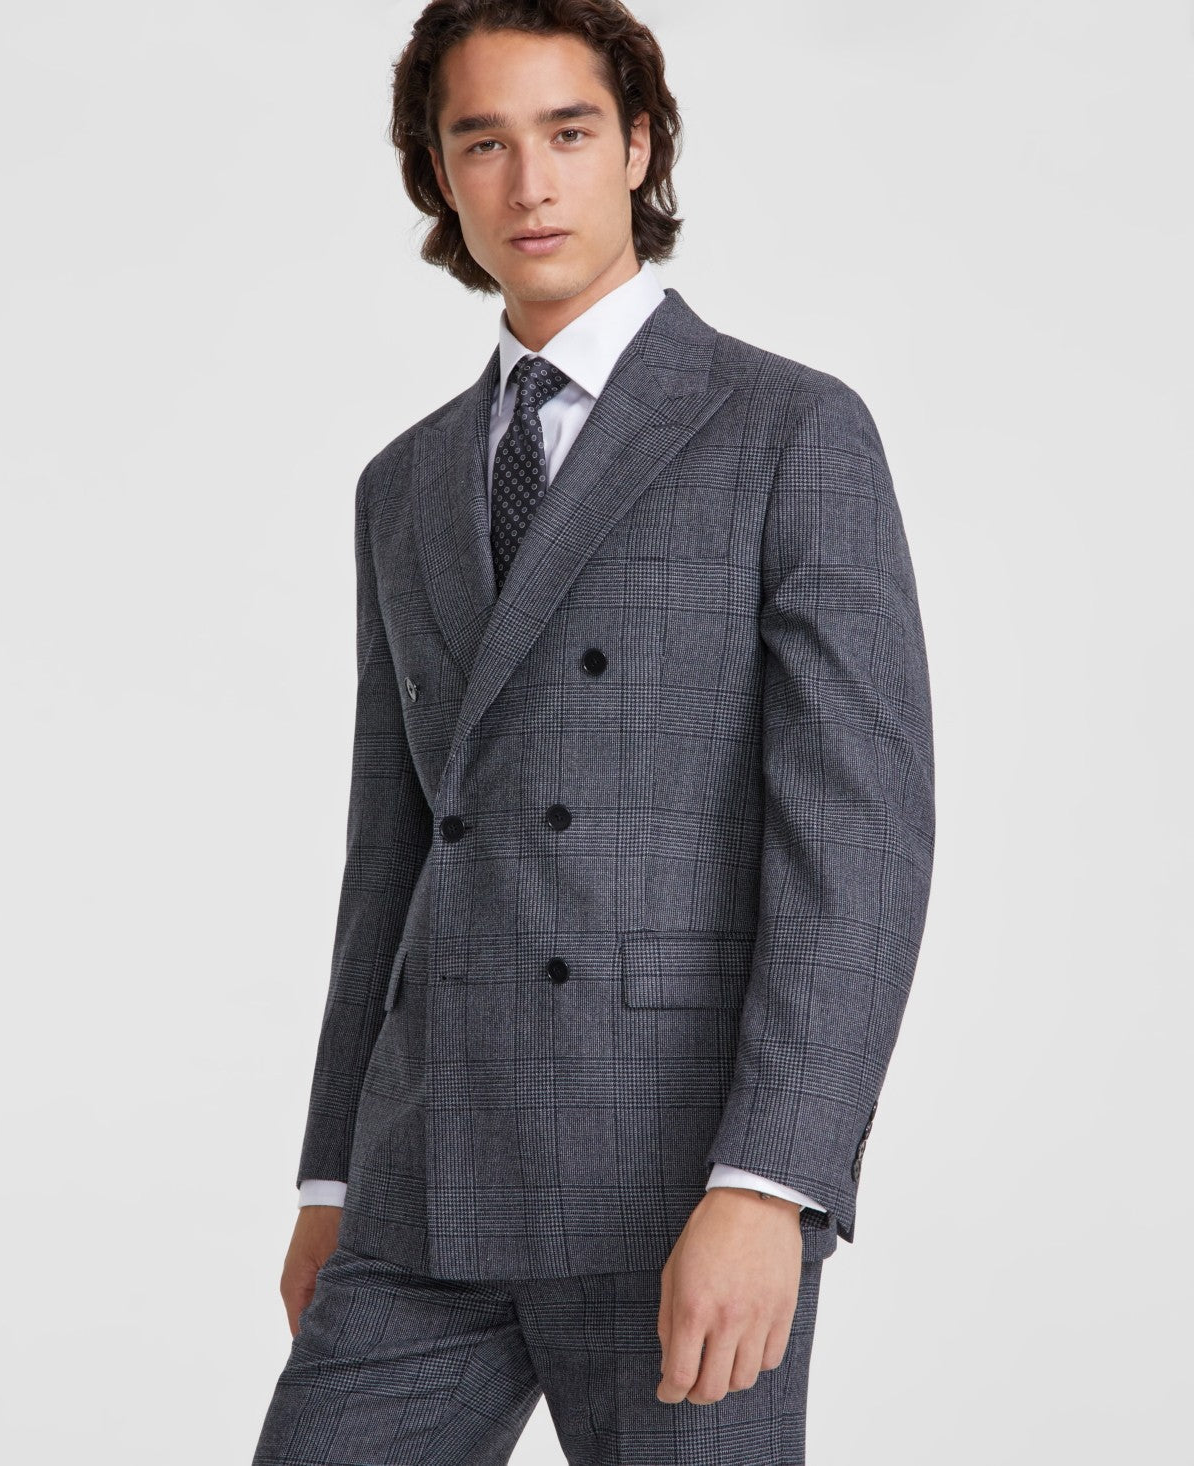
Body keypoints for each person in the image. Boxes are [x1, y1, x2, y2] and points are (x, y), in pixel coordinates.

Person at [251, 2, 935, 1462]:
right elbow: (389, 857)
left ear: (638, 146)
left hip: (676, 1180)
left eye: (567, 132)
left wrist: (774, 1182)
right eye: (482, 142)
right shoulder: (403, 482)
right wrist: (330, 1178)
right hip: (424, 1182)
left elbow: (859, 844)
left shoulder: (786, 430)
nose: (531, 183)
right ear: (439, 175)